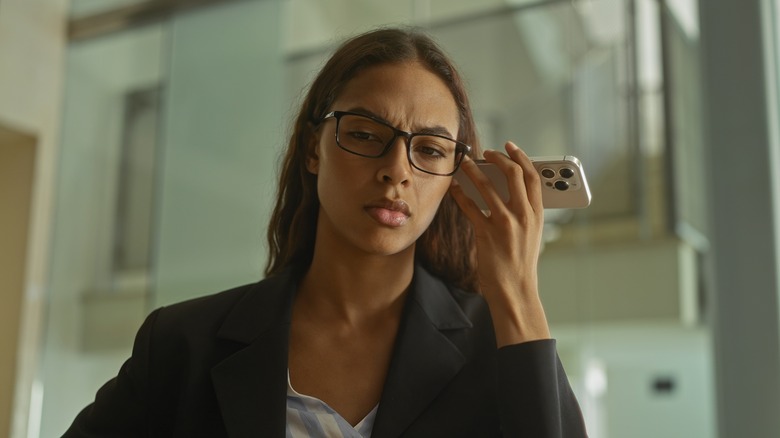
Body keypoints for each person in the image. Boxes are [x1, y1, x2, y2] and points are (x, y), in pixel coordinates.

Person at [63, 26, 587, 437]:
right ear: (314, 148)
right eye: (364, 133)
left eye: (429, 149)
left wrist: (517, 293)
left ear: (455, 173)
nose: (397, 170)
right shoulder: (182, 344)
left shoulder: (500, 350)